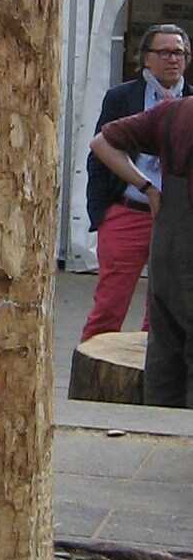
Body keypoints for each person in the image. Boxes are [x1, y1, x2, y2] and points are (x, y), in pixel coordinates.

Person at [81, 24, 191, 343]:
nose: (173, 59)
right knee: (109, 305)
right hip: (128, 210)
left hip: (174, 217)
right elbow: (99, 151)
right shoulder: (122, 97)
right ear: (146, 58)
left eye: (179, 53)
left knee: (162, 308)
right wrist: (102, 212)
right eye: (165, 52)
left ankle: (151, 369)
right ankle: (92, 365)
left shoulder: (189, 101)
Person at [90, 95, 193, 406]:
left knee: (164, 353)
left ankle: (157, 426)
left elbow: (101, 143)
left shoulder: (174, 111)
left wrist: (147, 188)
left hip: (166, 247)